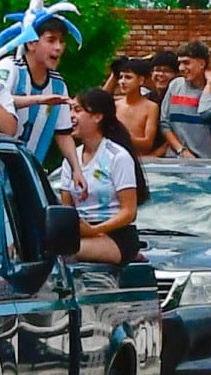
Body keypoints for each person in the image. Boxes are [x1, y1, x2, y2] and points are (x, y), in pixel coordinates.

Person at [0, 9, 83, 180]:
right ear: (31, 43)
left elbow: (63, 133)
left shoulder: (58, 85)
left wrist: (77, 169)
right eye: (51, 40)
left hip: (29, 176)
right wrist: (38, 100)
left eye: (62, 42)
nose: (58, 47)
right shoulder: (10, 67)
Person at [56, 88, 147, 265]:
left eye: (78, 110)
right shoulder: (71, 159)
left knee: (65, 255)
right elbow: (67, 209)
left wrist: (95, 230)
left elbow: (129, 211)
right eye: (70, 110)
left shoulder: (117, 156)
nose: (71, 116)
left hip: (115, 234)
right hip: (81, 232)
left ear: (98, 117)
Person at [159, 39, 211, 159]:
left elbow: (205, 111)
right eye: (180, 63)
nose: (181, 68)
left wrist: (209, 84)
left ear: (202, 64)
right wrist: (181, 150)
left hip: (205, 162)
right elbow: (164, 123)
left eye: (186, 63)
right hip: (175, 159)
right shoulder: (175, 85)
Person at [111, 57, 161, 153]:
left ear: (141, 80)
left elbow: (148, 143)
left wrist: (123, 138)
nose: (122, 82)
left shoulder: (151, 107)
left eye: (128, 77)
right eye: (121, 77)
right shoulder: (115, 105)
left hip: (139, 159)